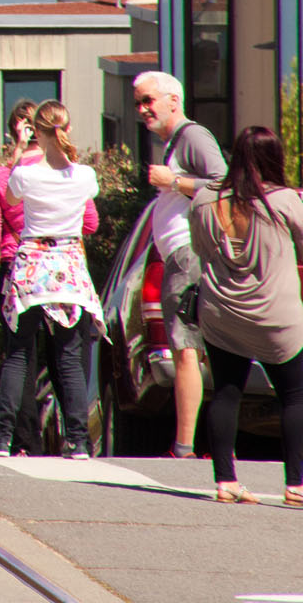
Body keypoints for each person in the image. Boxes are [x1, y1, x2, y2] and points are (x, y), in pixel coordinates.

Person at [188, 126, 303, 503]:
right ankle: (297, 484)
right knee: (294, 395)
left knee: (225, 392)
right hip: (276, 315)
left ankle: (225, 481)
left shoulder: (205, 199)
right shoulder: (285, 201)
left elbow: (201, 249)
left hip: (221, 310)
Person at [0, 100, 100, 453]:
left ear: (35, 130)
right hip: (69, 266)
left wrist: (19, 152)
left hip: (32, 264)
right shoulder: (85, 176)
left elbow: (10, 197)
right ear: (67, 128)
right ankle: (78, 441)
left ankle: (3, 438)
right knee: (68, 356)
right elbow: (90, 218)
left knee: (18, 354)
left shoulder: (24, 174)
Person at [135, 69, 226, 458]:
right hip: (182, 254)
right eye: (138, 102)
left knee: (185, 346)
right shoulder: (178, 142)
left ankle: (184, 445)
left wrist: (174, 182)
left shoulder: (192, 136)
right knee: (191, 348)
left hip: (188, 253)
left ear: (174, 100)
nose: (141, 110)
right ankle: (199, 443)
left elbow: (225, 183)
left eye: (148, 100)